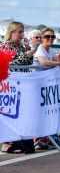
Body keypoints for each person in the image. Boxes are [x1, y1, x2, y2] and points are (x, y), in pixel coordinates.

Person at [0, 21, 35, 154]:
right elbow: (12, 62)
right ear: (12, 32)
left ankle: (21, 140)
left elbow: (27, 62)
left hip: (22, 84)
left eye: (22, 31)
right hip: (11, 86)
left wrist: (27, 50)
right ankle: (9, 143)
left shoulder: (20, 46)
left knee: (22, 113)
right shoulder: (5, 45)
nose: (22, 34)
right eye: (19, 32)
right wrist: (29, 53)